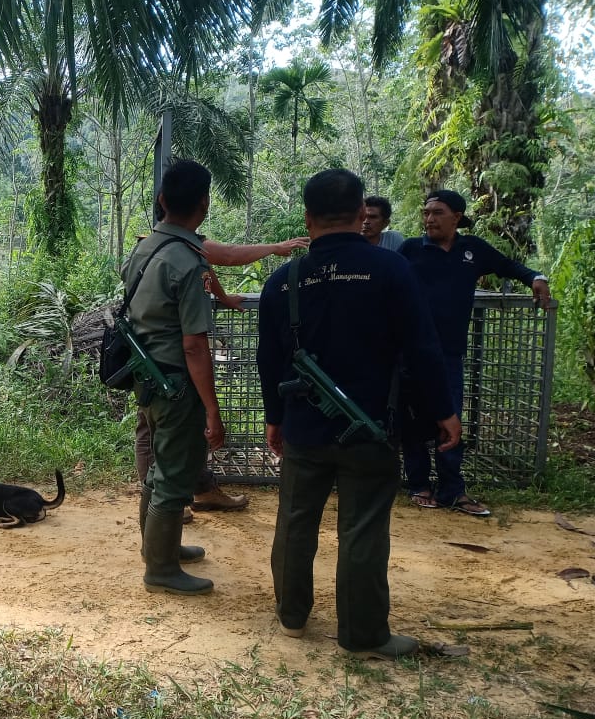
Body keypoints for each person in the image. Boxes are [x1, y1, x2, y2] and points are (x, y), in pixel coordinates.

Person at [257, 169, 461, 659]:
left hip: (304, 427)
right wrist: (443, 411)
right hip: (372, 428)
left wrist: (274, 416)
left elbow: (269, 357)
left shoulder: (284, 281)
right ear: (359, 215)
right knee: (363, 526)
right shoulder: (390, 271)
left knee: (295, 519)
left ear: (307, 219)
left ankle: (291, 616)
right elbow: (422, 347)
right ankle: (363, 634)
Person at [398, 189, 551, 516]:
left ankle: (452, 489)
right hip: (409, 352)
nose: (429, 218)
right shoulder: (410, 250)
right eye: (426, 212)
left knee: (449, 418)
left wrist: (536, 277)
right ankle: (418, 483)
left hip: (450, 354)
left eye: (437, 212)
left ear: (457, 217)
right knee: (412, 419)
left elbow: (510, 267)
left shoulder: (472, 250)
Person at [134, 233, 310, 513]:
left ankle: (195, 492)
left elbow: (203, 264)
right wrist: (275, 247)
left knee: (175, 429)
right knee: (162, 433)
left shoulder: (156, 246)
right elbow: (227, 254)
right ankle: (162, 508)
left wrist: (222, 296)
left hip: (150, 356)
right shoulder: (174, 243)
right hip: (170, 360)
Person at [124, 160, 226, 596]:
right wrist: (212, 408)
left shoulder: (144, 248)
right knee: (171, 476)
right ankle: (161, 569)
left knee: (157, 472)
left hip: (146, 375)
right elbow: (194, 345)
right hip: (177, 383)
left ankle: (158, 549)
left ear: (162, 200)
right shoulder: (188, 262)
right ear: (203, 205)